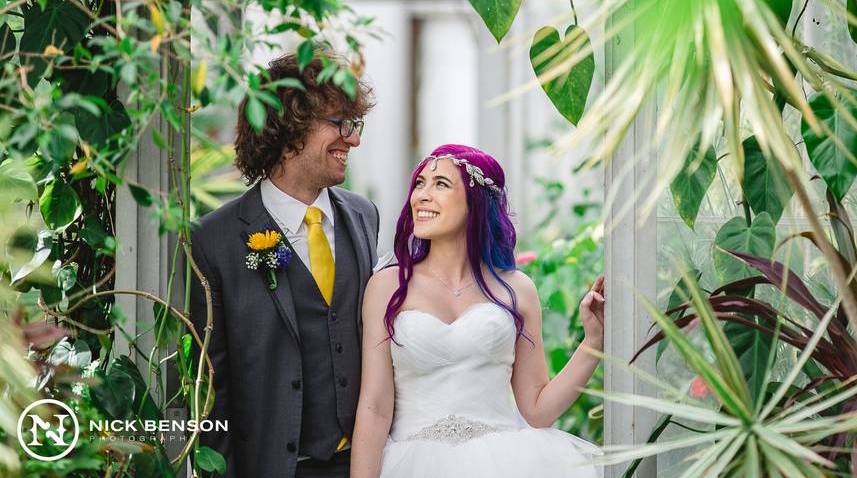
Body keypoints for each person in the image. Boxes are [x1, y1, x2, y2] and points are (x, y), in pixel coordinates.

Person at [351, 144, 604, 478]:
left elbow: (538, 411)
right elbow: (374, 407)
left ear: (476, 202)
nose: (422, 196)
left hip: (506, 464)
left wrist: (593, 344)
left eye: (441, 184)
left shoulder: (516, 289)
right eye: (420, 183)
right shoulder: (387, 287)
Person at [188, 53, 379, 478]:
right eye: (341, 123)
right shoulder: (212, 241)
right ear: (290, 126)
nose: (354, 139)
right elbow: (212, 392)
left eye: (355, 124)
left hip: (364, 465)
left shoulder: (365, 216)